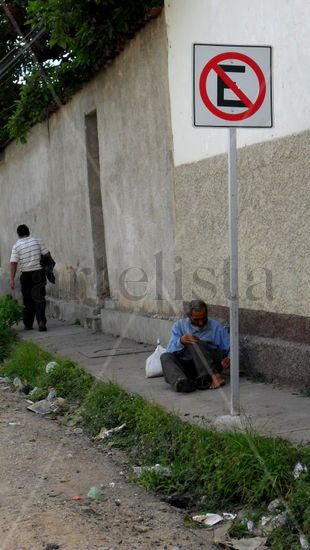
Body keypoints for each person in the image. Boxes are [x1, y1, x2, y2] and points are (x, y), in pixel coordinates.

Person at [161, 300, 230, 392]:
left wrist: (229, 358)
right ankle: (181, 382)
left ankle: (211, 377)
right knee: (165, 356)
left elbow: (232, 347)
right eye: (196, 320)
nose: (201, 323)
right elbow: (170, 350)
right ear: (189, 316)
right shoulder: (179, 326)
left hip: (212, 362)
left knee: (193, 341)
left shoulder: (216, 327)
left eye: (203, 318)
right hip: (191, 367)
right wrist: (181, 341)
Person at [10, 224, 53, 332]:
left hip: (26, 275)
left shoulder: (16, 246)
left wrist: (12, 279)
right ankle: (41, 321)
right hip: (38, 274)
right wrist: (49, 267)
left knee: (28, 300)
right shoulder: (37, 240)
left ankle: (28, 324)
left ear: (18, 234)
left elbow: (13, 263)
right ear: (28, 231)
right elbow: (47, 254)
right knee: (39, 298)